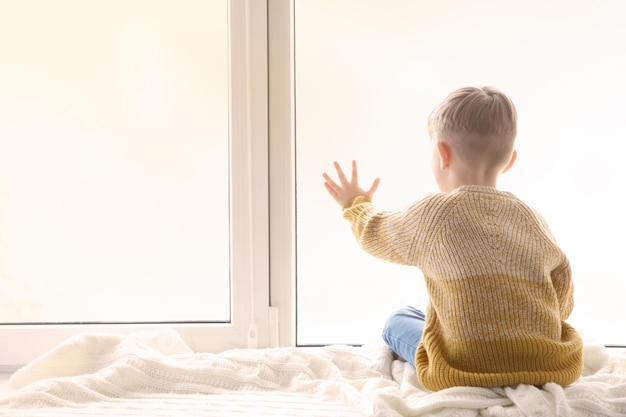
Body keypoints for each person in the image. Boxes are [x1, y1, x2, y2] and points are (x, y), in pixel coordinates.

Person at [322, 86, 583, 392]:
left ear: (442, 154)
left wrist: (356, 204)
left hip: (464, 368)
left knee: (399, 319)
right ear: (510, 160)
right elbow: (561, 299)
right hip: (547, 365)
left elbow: (375, 233)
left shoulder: (434, 213)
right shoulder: (532, 218)